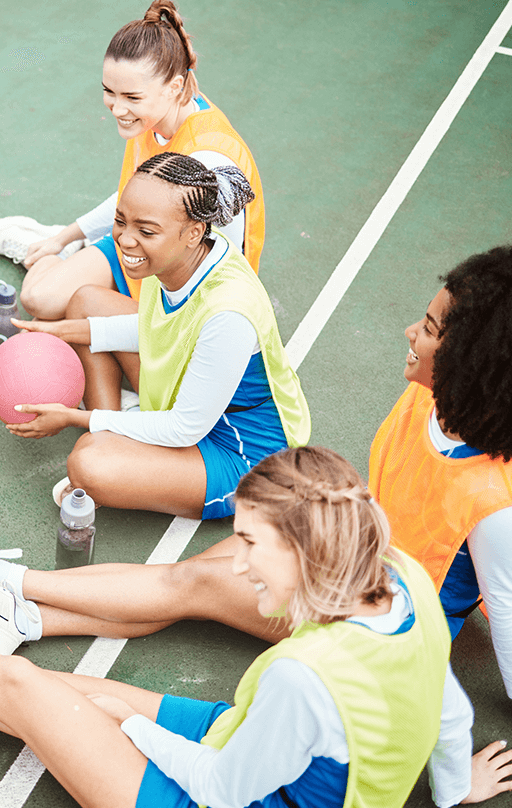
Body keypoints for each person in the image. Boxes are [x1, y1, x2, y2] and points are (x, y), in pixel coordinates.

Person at [0, 446, 510, 807]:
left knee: (18, 682)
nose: (239, 566)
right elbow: (448, 711)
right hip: (250, 745)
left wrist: (134, 727)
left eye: (250, 543)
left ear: (301, 554)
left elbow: (222, 792)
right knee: (54, 689)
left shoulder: (303, 677)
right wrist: (455, 788)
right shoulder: (405, 581)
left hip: (224, 788)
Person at [5, 153, 309, 521]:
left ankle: (115, 430)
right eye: (120, 221)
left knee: (89, 464)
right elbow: (159, 329)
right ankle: (121, 424)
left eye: (146, 231)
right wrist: (58, 330)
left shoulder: (229, 312)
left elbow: (184, 428)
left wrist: (75, 417)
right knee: (85, 301)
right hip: (185, 398)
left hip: (239, 453)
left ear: (194, 231)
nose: (126, 240)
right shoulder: (176, 260)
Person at [0, 0, 264, 321]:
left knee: (73, 317)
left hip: (183, 286)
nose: (117, 108)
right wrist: (63, 237)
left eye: (131, 97)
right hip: (143, 244)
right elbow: (134, 198)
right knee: (37, 299)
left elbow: (224, 266)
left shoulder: (206, 159)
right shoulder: (155, 113)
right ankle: (63, 246)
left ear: (174, 87)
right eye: (110, 91)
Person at [369, 245, 512, 699]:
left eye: (429, 329)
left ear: (469, 362)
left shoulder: (492, 504)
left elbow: (504, 608)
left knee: (196, 583)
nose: (411, 331)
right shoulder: (430, 395)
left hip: (390, 627)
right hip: (363, 567)